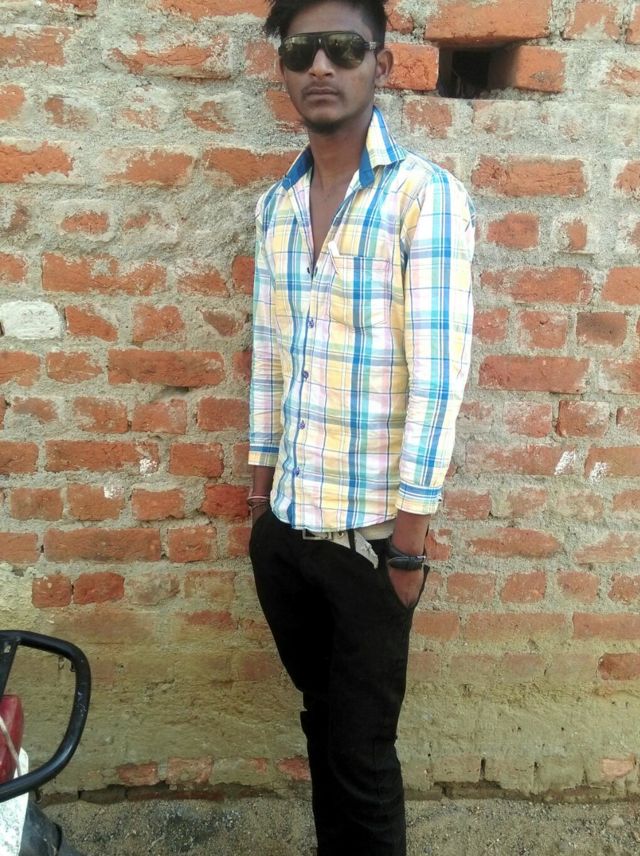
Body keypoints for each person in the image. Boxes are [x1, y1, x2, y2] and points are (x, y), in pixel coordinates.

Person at [247, 1, 475, 853]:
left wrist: (408, 547)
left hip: (374, 543)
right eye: (302, 50)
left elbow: (439, 377)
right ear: (283, 67)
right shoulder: (277, 207)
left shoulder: (424, 197)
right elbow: (269, 356)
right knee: (322, 724)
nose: (321, 66)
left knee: (363, 757)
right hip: (287, 530)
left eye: (345, 49)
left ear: (381, 64)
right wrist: (260, 501)